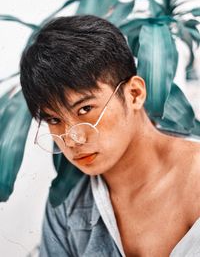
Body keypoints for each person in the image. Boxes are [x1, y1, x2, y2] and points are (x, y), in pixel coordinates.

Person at [20, 15, 200, 257]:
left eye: (85, 110)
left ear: (134, 94)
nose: (73, 140)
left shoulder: (194, 178)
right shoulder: (67, 207)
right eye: (55, 120)